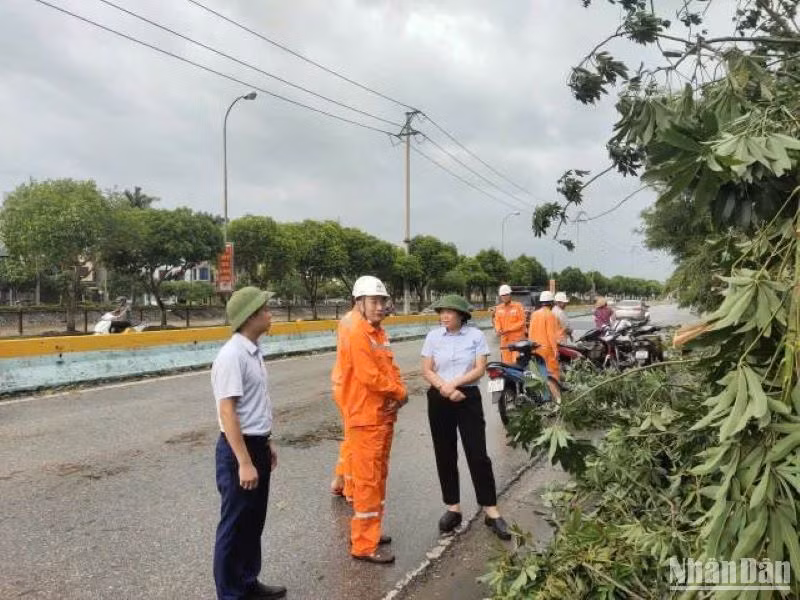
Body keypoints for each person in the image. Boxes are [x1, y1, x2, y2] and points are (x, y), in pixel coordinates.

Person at [211, 286, 286, 600]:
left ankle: (247, 581)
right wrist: (243, 461)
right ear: (250, 316)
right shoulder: (231, 355)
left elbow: (252, 407)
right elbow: (227, 410)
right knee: (234, 525)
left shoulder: (253, 351)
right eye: (265, 309)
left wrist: (265, 443)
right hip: (237, 450)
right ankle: (230, 594)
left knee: (253, 521)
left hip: (255, 444)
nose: (270, 314)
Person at [421, 294, 512, 541]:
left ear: (462, 315)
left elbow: (479, 369)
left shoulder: (475, 336)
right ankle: (453, 507)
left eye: (449, 312)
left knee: (477, 453)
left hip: (467, 397)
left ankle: (491, 511)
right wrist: (445, 389)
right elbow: (427, 369)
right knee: (445, 452)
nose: (444, 316)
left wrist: (455, 385)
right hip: (440, 398)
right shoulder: (433, 337)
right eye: (442, 312)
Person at [339, 275, 407, 564]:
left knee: (377, 477)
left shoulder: (375, 331)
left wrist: (397, 390)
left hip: (379, 415)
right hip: (366, 416)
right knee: (368, 481)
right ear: (360, 303)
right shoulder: (357, 331)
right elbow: (369, 376)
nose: (380, 306)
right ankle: (364, 546)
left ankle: (370, 532)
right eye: (374, 301)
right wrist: (399, 392)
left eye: (383, 301)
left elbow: (388, 366)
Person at [330, 299, 358, 501]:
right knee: (355, 437)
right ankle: (350, 487)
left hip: (344, 384)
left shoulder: (349, 320)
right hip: (350, 387)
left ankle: (341, 480)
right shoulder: (356, 324)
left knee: (350, 435)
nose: (380, 306)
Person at [527, 291, 561, 403]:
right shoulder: (550, 315)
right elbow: (551, 334)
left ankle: (544, 398)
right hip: (547, 349)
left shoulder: (534, 314)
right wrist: (556, 350)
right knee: (552, 374)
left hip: (535, 348)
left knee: (540, 374)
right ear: (551, 303)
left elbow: (530, 332)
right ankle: (557, 400)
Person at [493, 284, 527, 364]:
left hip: (517, 341)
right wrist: (498, 329)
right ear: (500, 296)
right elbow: (496, 321)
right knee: (506, 364)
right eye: (503, 295)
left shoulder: (518, 306)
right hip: (505, 341)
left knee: (517, 363)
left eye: (506, 295)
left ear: (510, 295)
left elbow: (522, 322)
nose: (504, 297)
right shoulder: (498, 308)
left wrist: (507, 329)